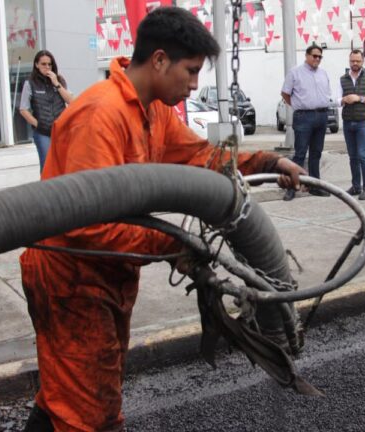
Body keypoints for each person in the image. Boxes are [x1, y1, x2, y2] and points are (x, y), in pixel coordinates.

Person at [18, 8, 305, 431]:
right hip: (71, 277)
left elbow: (200, 157)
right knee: (90, 410)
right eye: (190, 71)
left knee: (70, 393)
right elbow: (84, 225)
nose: (194, 85)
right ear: (158, 60)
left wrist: (267, 161)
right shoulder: (100, 115)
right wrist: (173, 246)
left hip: (108, 271)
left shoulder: (153, 112)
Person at [280, 44, 332, 201]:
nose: (317, 59)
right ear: (307, 56)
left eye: (320, 57)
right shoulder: (295, 73)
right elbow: (285, 93)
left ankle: (315, 186)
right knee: (300, 154)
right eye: (314, 56)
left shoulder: (323, 73)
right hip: (303, 117)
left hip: (321, 116)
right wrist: (298, 106)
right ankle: (291, 188)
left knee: (316, 153)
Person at [19, 50, 74, 171]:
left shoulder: (59, 80)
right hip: (43, 132)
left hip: (61, 130)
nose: (47, 67)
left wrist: (56, 84)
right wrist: (38, 124)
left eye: (49, 64)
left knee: (65, 164)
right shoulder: (30, 83)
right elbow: (23, 109)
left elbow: (71, 101)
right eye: (43, 64)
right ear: (36, 65)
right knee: (47, 166)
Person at [338, 49, 365, 201]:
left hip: (363, 122)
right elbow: (336, 98)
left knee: (362, 155)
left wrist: (359, 98)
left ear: (362, 61)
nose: (355, 63)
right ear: (349, 61)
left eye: (358, 61)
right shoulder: (342, 79)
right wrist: (343, 100)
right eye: (352, 61)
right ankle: (356, 186)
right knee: (352, 156)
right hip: (348, 121)